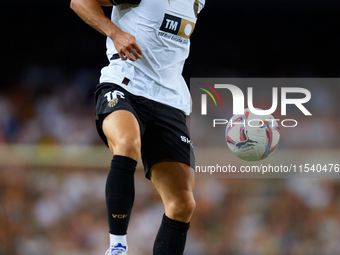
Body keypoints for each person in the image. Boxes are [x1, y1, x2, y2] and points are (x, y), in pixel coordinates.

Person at [70, 0, 205, 254]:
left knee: (183, 204)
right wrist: (115, 33)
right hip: (125, 83)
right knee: (128, 143)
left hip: (169, 99)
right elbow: (80, 2)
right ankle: (117, 247)